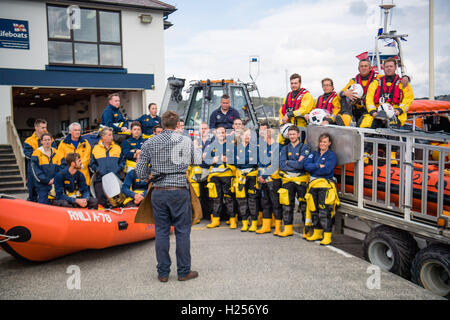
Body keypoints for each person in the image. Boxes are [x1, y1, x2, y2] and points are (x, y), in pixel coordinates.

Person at [135, 110, 201, 282]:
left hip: (159, 191)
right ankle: (183, 271)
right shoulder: (185, 141)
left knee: (162, 231)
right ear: (178, 124)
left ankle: (163, 273)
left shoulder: (150, 142)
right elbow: (197, 160)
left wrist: (151, 175)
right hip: (179, 189)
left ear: (162, 124)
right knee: (182, 232)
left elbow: (140, 173)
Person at [304, 133, 339, 246]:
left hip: (325, 186)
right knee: (314, 210)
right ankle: (317, 233)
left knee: (324, 211)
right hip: (313, 186)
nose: (322, 144)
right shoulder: (314, 153)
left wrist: (314, 168)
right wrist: (319, 166)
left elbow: (327, 170)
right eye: (321, 142)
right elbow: (306, 166)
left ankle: (327, 235)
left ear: (329, 143)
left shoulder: (331, 156)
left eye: (325, 142)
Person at [277, 126, 311, 238]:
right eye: (290, 134)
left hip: (301, 180)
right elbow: (282, 165)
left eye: (293, 134)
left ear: (298, 135)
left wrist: (289, 162)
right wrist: (295, 162)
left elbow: (302, 165)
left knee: (304, 205)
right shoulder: (284, 149)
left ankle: (307, 230)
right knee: (287, 205)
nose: (292, 136)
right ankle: (287, 229)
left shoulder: (304, 148)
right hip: (287, 180)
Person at [365, 58, 415, 129]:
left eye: (391, 66)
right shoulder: (375, 83)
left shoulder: (403, 83)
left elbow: (408, 99)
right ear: (384, 68)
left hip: (396, 114)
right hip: (378, 114)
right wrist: (373, 112)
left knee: (392, 132)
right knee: (369, 128)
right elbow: (369, 99)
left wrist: (399, 110)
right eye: (387, 67)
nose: (389, 68)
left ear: (395, 68)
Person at [204, 125, 236, 228]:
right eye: (219, 133)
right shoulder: (211, 145)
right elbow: (205, 159)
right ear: (215, 134)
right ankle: (215, 220)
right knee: (216, 198)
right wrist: (212, 160)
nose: (221, 134)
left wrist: (228, 160)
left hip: (227, 175)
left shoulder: (231, 146)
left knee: (229, 198)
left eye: (223, 132)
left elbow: (238, 159)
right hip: (215, 176)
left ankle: (232, 220)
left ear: (225, 133)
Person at [256, 123, 282, 235]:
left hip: (273, 179)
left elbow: (275, 164)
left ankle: (277, 227)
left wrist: (265, 175)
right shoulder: (261, 146)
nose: (263, 133)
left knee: (275, 203)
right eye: (261, 131)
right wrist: (260, 176)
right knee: (265, 202)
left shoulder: (277, 146)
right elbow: (259, 163)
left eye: (265, 131)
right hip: (263, 179)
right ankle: (266, 226)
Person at [89, 127, 125, 208]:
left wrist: (118, 169)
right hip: (100, 180)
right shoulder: (95, 148)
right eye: (109, 135)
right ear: (103, 136)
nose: (111, 137)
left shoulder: (117, 147)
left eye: (111, 135)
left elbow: (123, 162)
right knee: (101, 204)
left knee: (117, 204)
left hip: (115, 180)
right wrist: (98, 170)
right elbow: (92, 164)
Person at [234, 128, 259, 232]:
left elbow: (255, 161)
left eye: (250, 135)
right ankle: (244, 222)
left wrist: (242, 160)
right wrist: (248, 159)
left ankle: (253, 222)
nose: (247, 136)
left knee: (252, 199)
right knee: (241, 200)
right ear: (241, 136)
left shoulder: (255, 148)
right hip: (240, 176)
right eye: (246, 134)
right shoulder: (236, 148)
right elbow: (235, 161)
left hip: (252, 176)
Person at [24, 119, 54, 202]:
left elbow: (54, 152)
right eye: (42, 128)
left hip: (48, 171)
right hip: (33, 172)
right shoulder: (28, 141)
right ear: (36, 128)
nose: (45, 129)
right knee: (33, 196)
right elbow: (28, 154)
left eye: (46, 127)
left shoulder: (51, 139)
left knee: (49, 195)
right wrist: (43, 154)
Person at [188, 122, 213, 222]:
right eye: (202, 128)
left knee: (208, 194)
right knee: (197, 195)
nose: (203, 130)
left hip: (208, 169)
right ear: (199, 130)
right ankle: (198, 215)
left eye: (205, 128)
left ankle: (209, 215)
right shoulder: (194, 141)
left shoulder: (212, 141)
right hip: (197, 170)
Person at [30, 133, 63, 205]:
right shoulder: (36, 153)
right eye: (45, 140)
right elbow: (35, 171)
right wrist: (47, 181)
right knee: (43, 206)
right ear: (41, 141)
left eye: (49, 140)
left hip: (56, 185)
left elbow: (62, 167)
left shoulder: (57, 153)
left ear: (51, 141)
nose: (47, 142)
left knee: (57, 206)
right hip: (42, 186)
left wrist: (56, 179)